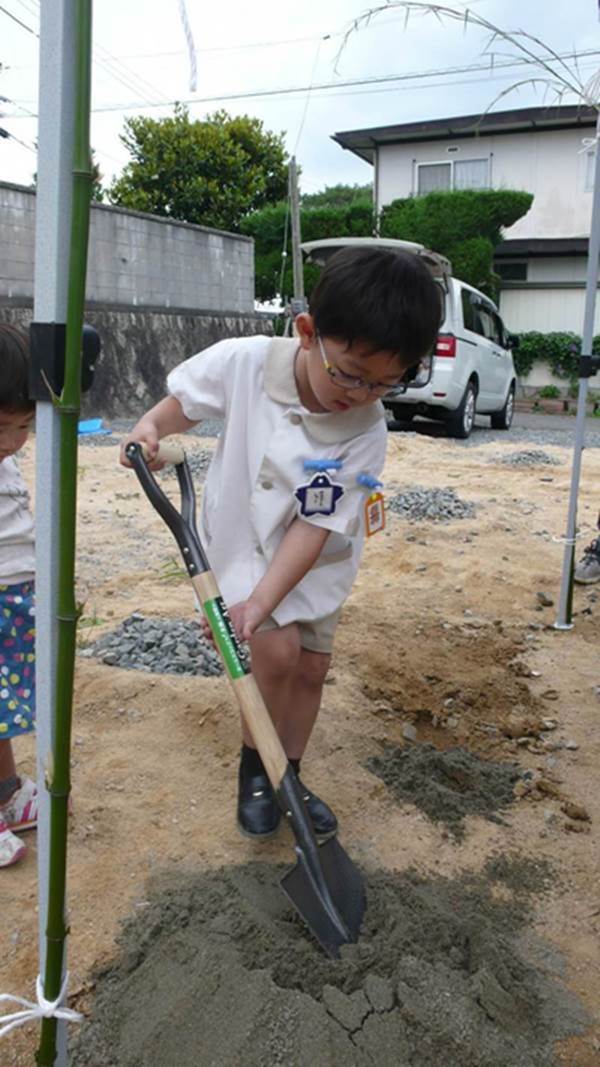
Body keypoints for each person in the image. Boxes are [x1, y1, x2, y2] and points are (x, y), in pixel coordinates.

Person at [121, 246, 441, 840]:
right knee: (275, 653)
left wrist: (266, 601)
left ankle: (288, 772)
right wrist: (152, 428)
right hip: (239, 541)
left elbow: (315, 527)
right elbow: (185, 404)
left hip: (314, 560)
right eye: (348, 372)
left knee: (312, 669)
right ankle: (257, 769)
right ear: (307, 332)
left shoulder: (366, 430)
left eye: (383, 384)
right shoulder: (244, 362)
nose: (359, 393)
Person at [0, 324, 37, 867]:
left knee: (4, 708)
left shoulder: (7, 462)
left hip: (14, 599)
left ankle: (6, 788)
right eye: (2, 427)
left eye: (25, 427)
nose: (11, 442)